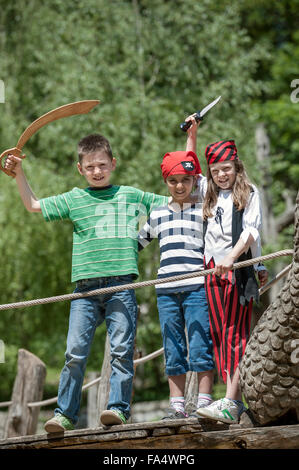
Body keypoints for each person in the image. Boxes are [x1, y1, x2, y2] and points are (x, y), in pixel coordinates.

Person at [4, 134, 168, 431]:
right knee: (74, 353)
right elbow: (33, 205)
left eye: (102, 165)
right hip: (85, 291)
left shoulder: (130, 194)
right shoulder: (74, 199)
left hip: (121, 285)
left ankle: (117, 409)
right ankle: (64, 414)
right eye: (90, 166)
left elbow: (174, 200)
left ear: (113, 164)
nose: (97, 171)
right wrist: (18, 173)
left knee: (121, 350)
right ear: (80, 168)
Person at [185, 116, 268, 424]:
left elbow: (251, 233)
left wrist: (236, 259)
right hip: (210, 271)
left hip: (234, 269)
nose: (221, 175)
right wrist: (192, 134)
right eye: (216, 170)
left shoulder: (249, 192)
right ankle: (229, 397)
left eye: (227, 169)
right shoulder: (207, 190)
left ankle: (232, 400)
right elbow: (189, 165)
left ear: (237, 167)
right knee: (218, 335)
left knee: (235, 333)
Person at [138, 150, 214, 419]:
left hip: (196, 286)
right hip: (166, 290)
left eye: (185, 180)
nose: (180, 186)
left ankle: (204, 402)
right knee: (172, 344)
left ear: (194, 180)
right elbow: (135, 244)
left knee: (200, 340)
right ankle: (177, 405)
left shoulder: (205, 209)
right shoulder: (157, 214)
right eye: (173, 181)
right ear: (165, 182)